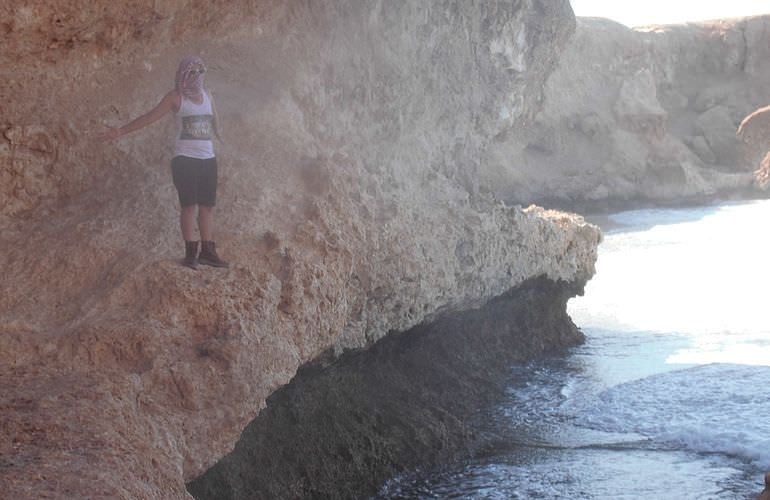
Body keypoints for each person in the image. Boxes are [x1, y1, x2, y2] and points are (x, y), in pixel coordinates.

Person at [100, 55, 228, 269]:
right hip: (185, 159)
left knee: (207, 207)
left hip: (208, 159)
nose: (198, 76)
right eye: (193, 72)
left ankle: (208, 251)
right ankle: (191, 253)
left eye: (201, 71)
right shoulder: (175, 97)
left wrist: (220, 134)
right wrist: (121, 131)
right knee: (189, 207)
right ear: (184, 75)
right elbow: (150, 117)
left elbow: (215, 118)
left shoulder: (208, 95)